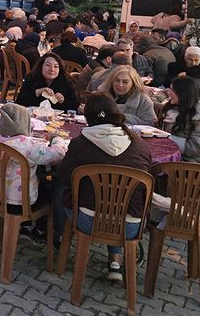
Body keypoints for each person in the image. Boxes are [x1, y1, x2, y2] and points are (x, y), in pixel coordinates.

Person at [53, 93, 151, 281]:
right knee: (118, 199)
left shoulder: (81, 144)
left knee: (60, 189)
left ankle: (58, 241)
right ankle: (115, 259)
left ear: (87, 117)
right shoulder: (140, 145)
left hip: (90, 221)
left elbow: (62, 176)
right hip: (131, 226)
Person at [0, 104, 69, 217]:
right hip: (22, 204)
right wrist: (56, 138)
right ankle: (40, 228)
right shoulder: (29, 147)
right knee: (50, 189)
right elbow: (58, 155)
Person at [162, 76, 200, 165]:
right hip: (173, 155)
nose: (169, 93)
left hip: (192, 164)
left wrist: (165, 138)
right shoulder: (176, 109)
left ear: (183, 93)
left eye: (172, 90)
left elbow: (197, 149)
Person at [15, 52, 79, 112]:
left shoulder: (67, 81)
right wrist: (38, 92)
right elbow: (19, 102)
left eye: (56, 66)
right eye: (48, 65)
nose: (52, 69)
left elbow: (75, 107)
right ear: (41, 66)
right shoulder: (32, 78)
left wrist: (63, 100)